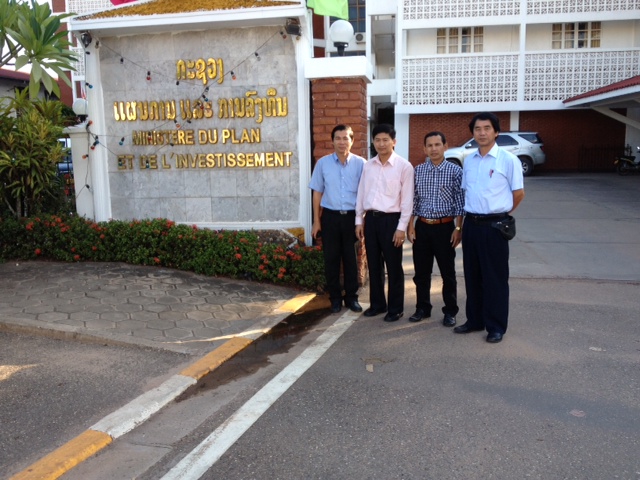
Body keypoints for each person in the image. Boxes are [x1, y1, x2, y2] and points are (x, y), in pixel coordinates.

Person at [454, 112, 525, 343]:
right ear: (472, 133)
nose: (482, 133)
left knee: (495, 278)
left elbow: (518, 194)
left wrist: (501, 214)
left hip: (494, 227)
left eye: (486, 128)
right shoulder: (470, 160)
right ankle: (474, 320)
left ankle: (495, 326)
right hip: (471, 226)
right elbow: (467, 195)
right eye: (477, 129)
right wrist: (460, 227)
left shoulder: (507, 160)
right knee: (472, 276)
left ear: (496, 132)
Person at [355, 124, 414, 322]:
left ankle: (395, 308)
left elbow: (407, 201)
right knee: (374, 264)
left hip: (392, 221)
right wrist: (359, 220)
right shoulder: (368, 166)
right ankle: (378, 304)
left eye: (385, 140)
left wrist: (401, 228)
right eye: (377, 140)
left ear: (394, 142)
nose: (381, 144)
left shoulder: (404, 167)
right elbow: (361, 193)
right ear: (373, 142)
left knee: (394, 266)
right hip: (371, 220)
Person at [407, 131, 464, 326]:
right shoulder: (418, 171)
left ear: (445, 146)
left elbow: (459, 202)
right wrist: (410, 226)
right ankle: (422, 308)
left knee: (448, 273)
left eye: (437, 144)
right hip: (422, 227)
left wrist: (458, 228)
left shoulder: (455, 171)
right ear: (424, 148)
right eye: (429, 145)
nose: (433, 149)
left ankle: (450, 311)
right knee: (421, 272)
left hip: (445, 228)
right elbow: (412, 200)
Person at [309, 124, 366, 313]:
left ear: (352, 141)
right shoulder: (323, 164)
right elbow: (317, 193)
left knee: (351, 260)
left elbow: (365, 194)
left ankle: (351, 297)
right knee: (331, 259)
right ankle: (334, 298)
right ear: (332, 141)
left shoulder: (361, 164)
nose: (342, 142)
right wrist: (317, 221)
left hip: (351, 218)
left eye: (345, 138)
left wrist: (361, 221)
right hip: (330, 218)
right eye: (338, 138)